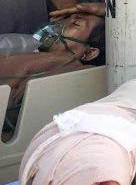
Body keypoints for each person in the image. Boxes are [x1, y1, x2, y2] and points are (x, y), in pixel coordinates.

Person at [1, 12, 105, 141]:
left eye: (75, 24)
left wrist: (55, 58)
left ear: (89, 53)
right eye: (65, 19)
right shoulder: (22, 47)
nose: (59, 26)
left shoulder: (74, 75)